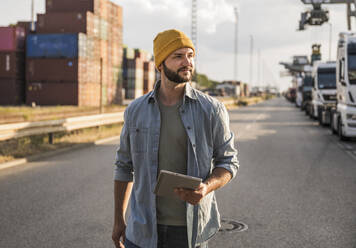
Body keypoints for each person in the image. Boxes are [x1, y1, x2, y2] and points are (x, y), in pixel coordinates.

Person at [112, 29, 239, 248]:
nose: (187, 62)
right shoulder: (135, 111)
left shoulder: (212, 110)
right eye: (178, 56)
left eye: (190, 56)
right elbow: (124, 167)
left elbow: (228, 162)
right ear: (160, 64)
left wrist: (206, 187)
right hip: (142, 230)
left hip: (190, 233)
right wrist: (118, 220)